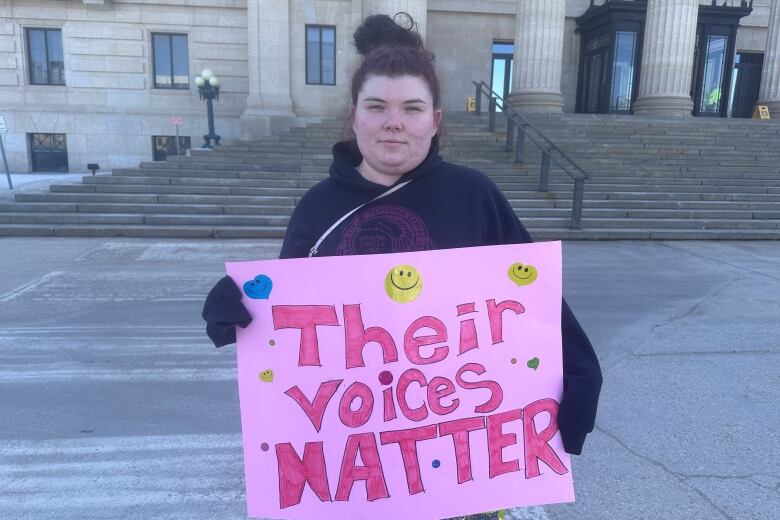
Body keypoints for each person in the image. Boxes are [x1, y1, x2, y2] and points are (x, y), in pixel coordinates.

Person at [202, 11, 602, 509]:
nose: (394, 122)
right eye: (377, 106)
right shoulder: (318, 208)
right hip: (359, 474)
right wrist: (236, 312)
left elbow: (533, 299)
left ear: (434, 121)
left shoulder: (473, 196)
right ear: (354, 115)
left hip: (468, 465)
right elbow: (290, 330)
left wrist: (582, 374)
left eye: (412, 108)